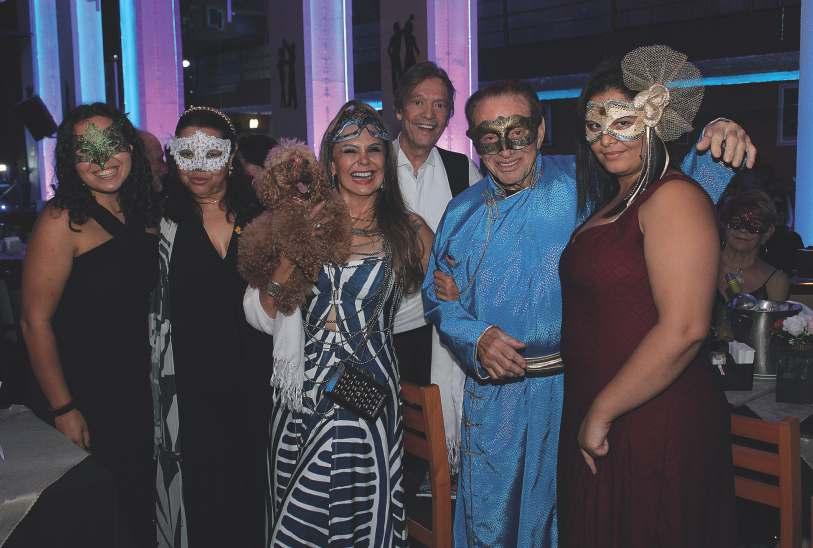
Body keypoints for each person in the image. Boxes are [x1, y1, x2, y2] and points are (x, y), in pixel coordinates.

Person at [424, 76, 754, 545]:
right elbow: (437, 296)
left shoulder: (586, 182)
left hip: (575, 390)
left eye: (517, 132)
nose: (506, 150)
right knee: (492, 525)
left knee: (574, 522)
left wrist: (716, 139)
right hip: (498, 399)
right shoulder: (460, 214)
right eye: (489, 138)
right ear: (473, 142)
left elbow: (662, 192)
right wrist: (473, 335)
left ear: (540, 131)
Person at [557, 46, 737, 547]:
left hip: (654, 417)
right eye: (594, 126)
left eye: (623, 122)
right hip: (603, 408)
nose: (606, 138)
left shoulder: (673, 196)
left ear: (654, 120)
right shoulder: (611, 202)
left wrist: (602, 411)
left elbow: (686, 328)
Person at [243, 101, 433, 546]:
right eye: (350, 150)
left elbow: (442, 304)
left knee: (359, 508)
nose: (363, 161)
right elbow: (261, 312)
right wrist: (295, 249)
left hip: (369, 389)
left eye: (373, 150)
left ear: (387, 161)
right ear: (331, 163)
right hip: (301, 392)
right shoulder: (294, 223)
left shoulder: (410, 230)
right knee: (299, 508)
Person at [21, 102, 159, 546]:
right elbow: (34, 321)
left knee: (141, 510)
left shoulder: (144, 211)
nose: (102, 161)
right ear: (71, 161)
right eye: (86, 151)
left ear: (131, 148)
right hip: (88, 394)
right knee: (101, 521)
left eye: (111, 145)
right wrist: (63, 408)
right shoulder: (62, 220)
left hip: (141, 389)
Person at [151, 106, 272, 548]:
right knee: (203, 499)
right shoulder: (159, 224)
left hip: (258, 381)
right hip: (191, 388)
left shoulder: (262, 217)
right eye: (187, 153)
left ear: (231, 156)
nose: (199, 166)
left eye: (211, 153)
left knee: (257, 493)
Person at [392, 61, 481, 471]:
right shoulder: (370, 166)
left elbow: (482, 247)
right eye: (418, 102)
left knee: (436, 451)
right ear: (399, 109)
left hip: (441, 331)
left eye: (440, 105)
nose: (429, 114)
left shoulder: (463, 171)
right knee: (389, 449)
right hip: (381, 333)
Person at [718, 189, 791, 301]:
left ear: (767, 232)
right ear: (725, 224)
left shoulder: (776, 281)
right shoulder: (702, 266)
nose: (743, 230)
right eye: (736, 221)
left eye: (754, 224)